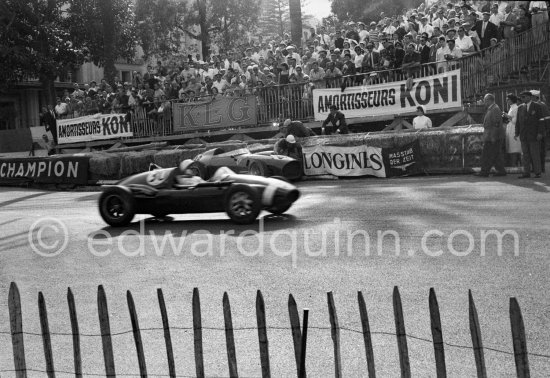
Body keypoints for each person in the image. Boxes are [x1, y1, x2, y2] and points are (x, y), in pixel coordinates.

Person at [475, 93, 506, 177]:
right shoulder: (491, 109)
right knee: (496, 155)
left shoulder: (494, 109)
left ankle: (484, 172)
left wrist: (493, 136)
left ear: (490, 100)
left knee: (487, 154)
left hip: (493, 137)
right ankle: (501, 171)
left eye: (485, 100)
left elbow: (496, 123)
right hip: (491, 136)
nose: (484, 102)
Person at [515, 91, 545, 178]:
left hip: (534, 134)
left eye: (523, 97)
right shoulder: (520, 108)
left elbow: (541, 120)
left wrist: (540, 133)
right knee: (525, 155)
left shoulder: (537, 106)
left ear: (529, 97)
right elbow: (518, 122)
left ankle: (537, 172)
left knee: (534, 154)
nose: (522, 99)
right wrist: (517, 133)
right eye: (521, 97)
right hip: (524, 135)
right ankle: (526, 172)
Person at [531, 90, 549, 173]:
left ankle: (540, 168)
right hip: (538, 132)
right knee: (538, 151)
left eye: (531, 96)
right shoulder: (541, 105)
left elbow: (545, 120)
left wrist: (542, 132)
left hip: (540, 132)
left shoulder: (540, 105)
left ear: (535, 97)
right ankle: (539, 168)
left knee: (540, 151)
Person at [504, 94, 521, 167]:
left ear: (512, 100)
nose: (507, 101)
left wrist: (507, 116)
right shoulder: (511, 108)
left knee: (515, 148)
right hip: (510, 128)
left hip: (514, 129)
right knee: (511, 147)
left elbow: (516, 120)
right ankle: (514, 164)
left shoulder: (515, 108)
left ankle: (515, 164)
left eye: (508, 99)